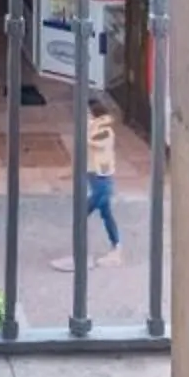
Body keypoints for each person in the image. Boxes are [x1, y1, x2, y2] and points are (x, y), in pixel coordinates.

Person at [53, 96, 123, 271]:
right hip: (98, 179)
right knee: (107, 216)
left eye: (88, 113)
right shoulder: (96, 127)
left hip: (101, 182)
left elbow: (91, 142)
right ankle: (117, 249)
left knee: (81, 217)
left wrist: (85, 126)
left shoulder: (104, 131)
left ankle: (81, 257)